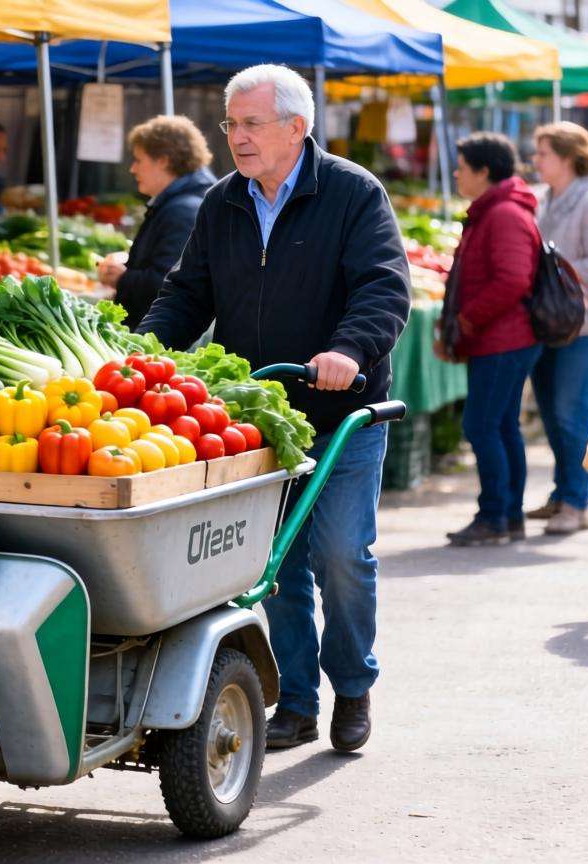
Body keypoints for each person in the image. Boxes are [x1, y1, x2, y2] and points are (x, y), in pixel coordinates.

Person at [138, 64, 410, 753]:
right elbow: (186, 293)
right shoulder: (223, 202)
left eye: (251, 123)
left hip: (343, 411)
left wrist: (349, 349)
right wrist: (138, 350)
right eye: (230, 124)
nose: (237, 137)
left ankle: (353, 685)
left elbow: (384, 287)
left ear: (298, 126)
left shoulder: (353, 193)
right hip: (259, 416)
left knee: (343, 557)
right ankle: (296, 700)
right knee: (274, 567)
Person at [526, 123, 588, 535]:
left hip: (587, 326)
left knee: (572, 412)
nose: (536, 161)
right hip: (551, 324)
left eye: (543, 154)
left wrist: (552, 274)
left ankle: (577, 501)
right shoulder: (548, 198)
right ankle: (563, 492)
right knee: (553, 414)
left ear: (568, 157)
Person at [440, 134, 541, 547]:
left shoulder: (503, 214)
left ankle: (495, 514)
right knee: (500, 425)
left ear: (483, 171)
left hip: (505, 339)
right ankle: (507, 515)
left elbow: (514, 280)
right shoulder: (493, 210)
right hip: (500, 338)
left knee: (481, 425)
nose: (457, 173)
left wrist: (466, 318)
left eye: (462, 166)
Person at [96, 115, 215, 329]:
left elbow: (169, 284)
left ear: (163, 160)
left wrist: (122, 279)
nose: (133, 169)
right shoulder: (178, 203)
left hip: (158, 338)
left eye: (138, 160)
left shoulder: (183, 211)